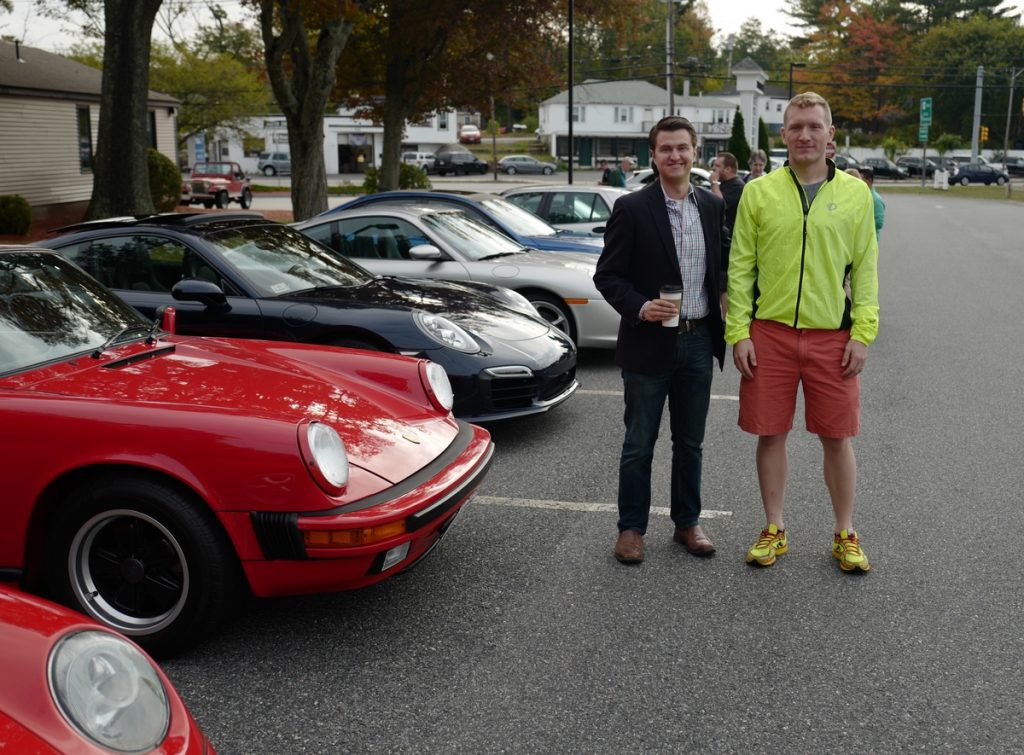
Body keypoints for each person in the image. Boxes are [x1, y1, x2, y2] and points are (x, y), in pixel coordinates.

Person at [726, 91, 879, 573]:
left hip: (832, 336)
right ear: (783, 135)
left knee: (837, 437)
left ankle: (845, 532)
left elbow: (867, 270)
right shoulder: (759, 192)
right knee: (770, 434)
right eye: (796, 127)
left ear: (830, 135)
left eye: (814, 126)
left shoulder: (856, 196)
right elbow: (740, 268)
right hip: (768, 333)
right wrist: (738, 331)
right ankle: (774, 527)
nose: (805, 135)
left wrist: (863, 332)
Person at [594, 116, 731, 565]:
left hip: (697, 340)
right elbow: (607, 275)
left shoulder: (711, 207)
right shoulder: (632, 208)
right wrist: (639, 306)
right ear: (653, 155)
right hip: (649, 342)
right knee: (639, 443)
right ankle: (631, 529)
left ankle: (687, 523)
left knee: (690, 442)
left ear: (696, 153)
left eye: (683, 148)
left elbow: (722, 266)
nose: (675, 156)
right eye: (666, 149)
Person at [709, 151, 745, 232]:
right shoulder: (724, 184)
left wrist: (714, 182)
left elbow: (720, 204)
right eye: (714, 165)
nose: (713, 168)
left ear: (728, 169)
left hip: (730, 237)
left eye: (717, 166)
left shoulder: (737, 186)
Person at [858, 166, 886, 238]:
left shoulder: (876, 199)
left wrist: (860, 225)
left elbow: (879, 223)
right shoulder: (860, 196)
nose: (857, 182)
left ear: (869, 180)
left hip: (869, 239)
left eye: (860, 179)